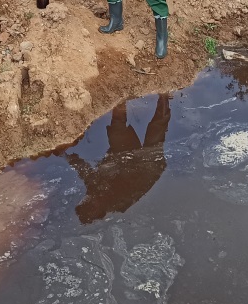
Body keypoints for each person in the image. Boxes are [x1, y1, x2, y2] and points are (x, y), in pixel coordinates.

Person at [65, 93, 172, 223]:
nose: (87, 200)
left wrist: (69, 157)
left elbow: (85, 173)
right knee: (156, 130)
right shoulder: (119, 202)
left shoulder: (94, 193)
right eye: (90, 205)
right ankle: (164, 97)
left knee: (116, 130)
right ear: (99, 210)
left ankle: (120, 98)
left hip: (125, 162)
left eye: (85, 203)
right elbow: (133, 178)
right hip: (148, 167)